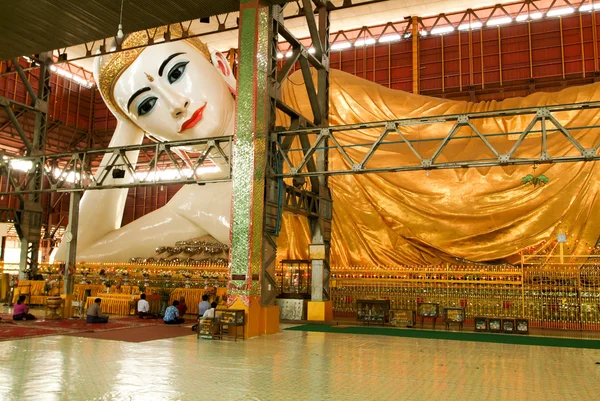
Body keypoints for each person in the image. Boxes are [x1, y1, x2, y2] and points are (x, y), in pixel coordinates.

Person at [54, 26, 600, 267]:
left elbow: (439, 124)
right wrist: (123, 128)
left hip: (483, 179)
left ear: (223, 67)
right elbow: (72, 257)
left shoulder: (308, 94)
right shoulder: (208, 197)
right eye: (147, 105)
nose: (173, 103)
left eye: (176, 73)